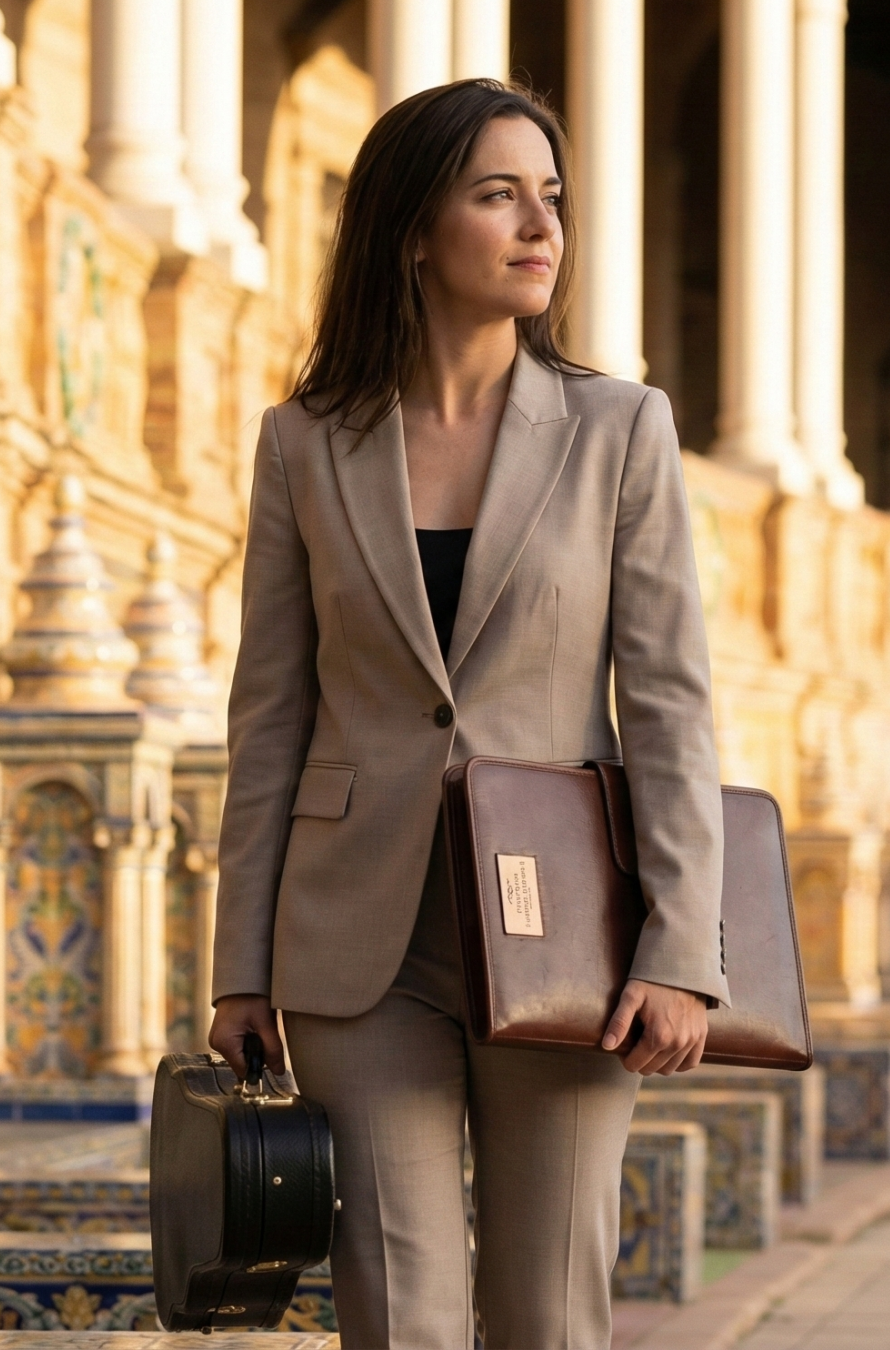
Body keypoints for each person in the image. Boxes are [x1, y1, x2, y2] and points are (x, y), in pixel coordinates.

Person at [208, 78, 726, 1349]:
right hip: (351, 946)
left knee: (546, 1313)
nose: (538, 224)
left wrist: (680, 948)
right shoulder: (303, 443)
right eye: (497, 195)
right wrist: (239, 965)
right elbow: (269, 716)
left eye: (548, 196)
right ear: (410, 229)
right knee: (399, 1315)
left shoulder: (620, 429)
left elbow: (666, 703)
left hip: (568, 938)